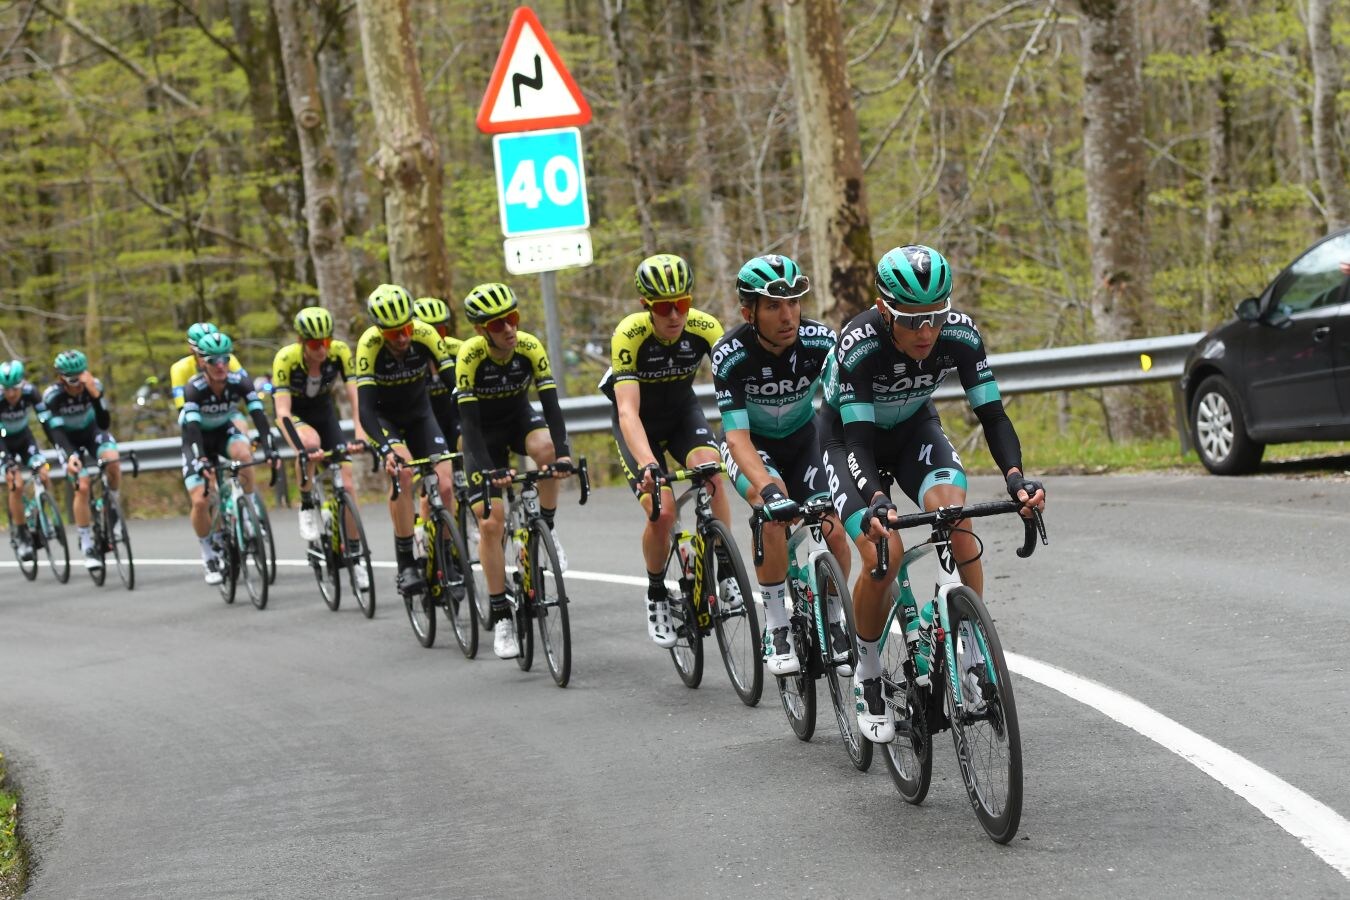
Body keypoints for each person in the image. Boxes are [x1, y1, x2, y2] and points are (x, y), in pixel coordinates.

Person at [819, 244, 1045, 743]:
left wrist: (1016, 478)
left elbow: (993, 416)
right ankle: (870, 671)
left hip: (915, 429)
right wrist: (876, 499)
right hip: (848, 440)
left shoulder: (959, 333)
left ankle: (967, 642)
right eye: (911, 319)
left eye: (936, 316)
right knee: (885, 554)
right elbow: (858, 443)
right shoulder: (859, 343)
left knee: (955, 517)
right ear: (884, 310)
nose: (926, 332)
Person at [712, 254, 852, 676]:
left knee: (834, 522)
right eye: (773, 306)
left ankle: (833, 612)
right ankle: (776, 624)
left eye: (794, 302)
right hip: (752, 446)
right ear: (748, 313)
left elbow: (841, 411)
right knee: (771, 515)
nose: (787, 315)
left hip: (805, 438)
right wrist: (771, 492)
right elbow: (737, 438)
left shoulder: (820, 341)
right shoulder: (730, 353)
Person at [599, 253, 733, 649]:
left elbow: (732, 395)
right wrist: (648, 464)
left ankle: (726, 571)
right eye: (663, 307)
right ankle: (656, 592)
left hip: (681, 415)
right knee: (664, 509)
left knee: (712, 472)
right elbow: (627, 411)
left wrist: (737, 441)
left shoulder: (706, 328)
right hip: (639, 424)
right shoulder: (630, 335)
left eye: (683, 303)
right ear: (646, 307)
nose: (675, 315)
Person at [456, 282, 573, 659]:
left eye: (513, 318)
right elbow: (469, 428)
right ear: (480, 331)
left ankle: (548, 528)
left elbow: (551, 408)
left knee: (548, 451)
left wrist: (565, 455)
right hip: (481, 435)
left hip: (519, 419)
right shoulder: (470, 356)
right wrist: (491, 472)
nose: (508, 328)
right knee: (491, 522)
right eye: (497, 324)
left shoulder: (529, 347)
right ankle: (501, 613)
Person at [354, 284, 457, 596]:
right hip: (387, 421)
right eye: (393, 333)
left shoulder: (425, 335)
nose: (402, 337)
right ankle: (406, 564)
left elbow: (455, 388)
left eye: (407, 328)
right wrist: (386, 449)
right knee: (403, 471)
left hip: (420, 417)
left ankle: (448, 558)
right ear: (379, 330)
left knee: (445, 483)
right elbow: (366, 411)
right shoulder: (368, 346)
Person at [271, 306, 370, 591]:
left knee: (347, 484)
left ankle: (355, 557)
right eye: (316, 344)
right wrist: (300, 448)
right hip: (296, 416)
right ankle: (306, 504)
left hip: (324, 413)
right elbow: (282, 412)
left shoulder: (339, 353)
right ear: (302, 342)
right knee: (311, 444)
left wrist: (361, 437)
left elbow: (357, 401)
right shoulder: (286, 359)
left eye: (326, 341)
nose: (323, 349)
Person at [180, 331, 279, 584]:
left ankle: (246, 510)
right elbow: (192, 430)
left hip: (224, 432)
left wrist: (268, 445)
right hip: (198, 440)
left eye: (225, 358)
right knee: (201, 500)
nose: (221, 365)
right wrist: (201, 460)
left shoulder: (239, 381)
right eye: (213, 360)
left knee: (244, 453)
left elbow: (258, 415)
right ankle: (208, 553)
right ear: (203, 362)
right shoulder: (194, 388)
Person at [37, 350, 122, 571]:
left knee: (113, 460)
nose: (77, 384)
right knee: (82, 486)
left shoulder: (93, 385)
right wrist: (71, 456)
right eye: (72, 380)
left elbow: (104, 423)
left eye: (81, 377)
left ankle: (112, 505)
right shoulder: (52, 397)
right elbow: (54, 433)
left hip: (93, 432)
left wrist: (94, 394)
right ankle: (86, 542)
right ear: (61, 378)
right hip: (67, 439)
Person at [1, 360, 53, 561]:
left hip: (24, 439)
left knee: (43, 472)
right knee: (17, 483)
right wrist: (6, 461)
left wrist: (56, 443)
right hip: (2, 444)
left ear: (21, 384)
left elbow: (46, 421)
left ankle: (43, 513)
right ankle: (22, 534)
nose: (11, 394)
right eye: (6, 389)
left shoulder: (31, 392)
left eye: (14, 389)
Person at [412, 297, 463, 456]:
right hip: (424, 421)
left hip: (454, 418)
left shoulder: (459, 349)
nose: (434, 338)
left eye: (440, 331)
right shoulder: (410, 357)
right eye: (429, 332)